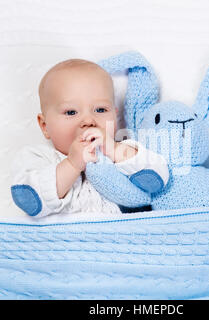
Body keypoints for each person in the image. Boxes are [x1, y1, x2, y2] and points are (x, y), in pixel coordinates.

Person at [10, 58, 169, 217]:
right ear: (45, 126)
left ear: (115, 115)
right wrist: (72, 164)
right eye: (71, 112)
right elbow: (29, 200)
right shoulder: (39, 158)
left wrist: (114, 150)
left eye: (100, 110)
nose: (88, 121)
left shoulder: (122, 152)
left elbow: (157, 180)